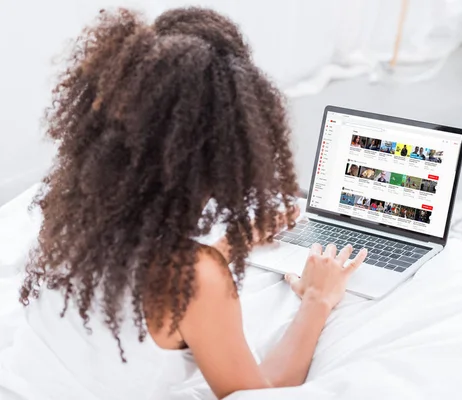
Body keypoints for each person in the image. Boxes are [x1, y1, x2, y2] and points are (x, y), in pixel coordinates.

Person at [0, 8, 368, 400]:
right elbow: (258, 392)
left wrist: (233, 244)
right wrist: (318, 299)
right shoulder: (193, 281)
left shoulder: (70, 211)